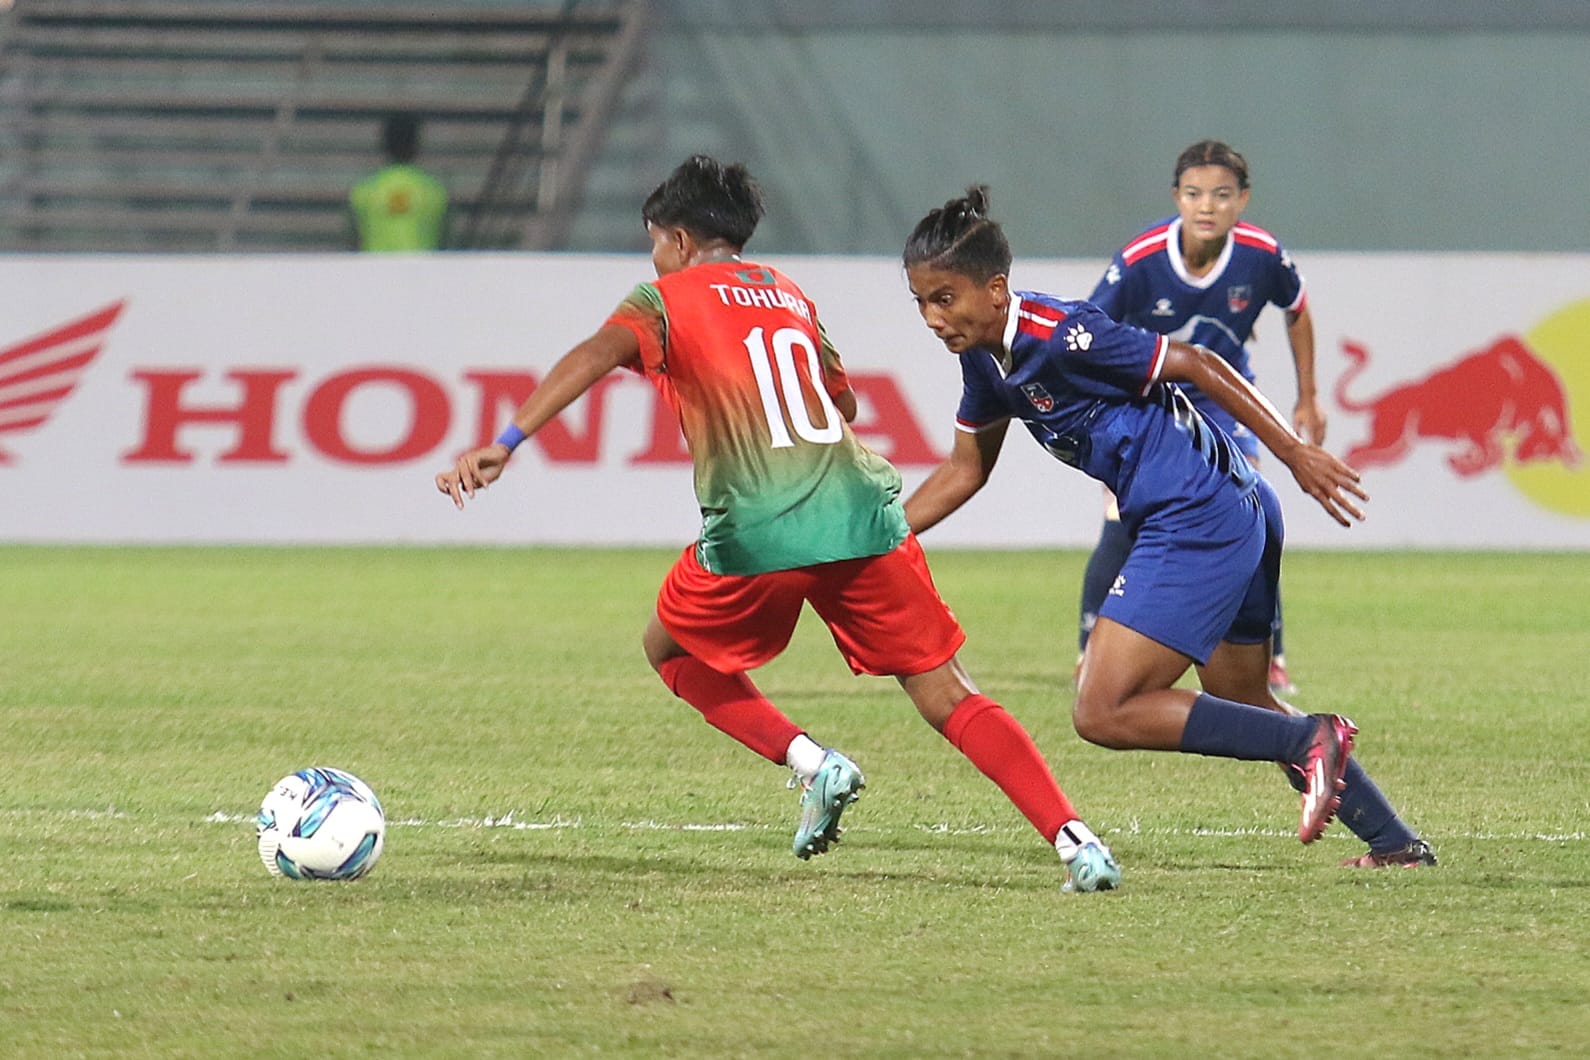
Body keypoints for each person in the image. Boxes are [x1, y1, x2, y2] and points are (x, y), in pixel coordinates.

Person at [435, 156, 1121, 892]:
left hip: (760, 526)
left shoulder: (662, 298)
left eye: (656, 245)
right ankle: (1076, 841)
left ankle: (811, 762)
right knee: (949, 694)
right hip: (862, 513)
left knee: (669, 649)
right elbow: (845, 404)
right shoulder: (786, 293)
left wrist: (505, 443)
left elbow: (598, 354)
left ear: (676, 240)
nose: (656, 259)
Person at [901, 185, 1436, 869]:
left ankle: (1309, 739)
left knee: (1102, 710)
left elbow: (1196, 363)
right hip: (1234, 506)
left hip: (1197, 514)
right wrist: (881, 533)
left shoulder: (1062, 334)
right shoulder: (984, 362)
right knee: (1239, 694)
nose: (930, 317)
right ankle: (1394, 843)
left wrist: (1295, 451)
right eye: (920, 301)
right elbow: (964, 470)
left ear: (996, 289)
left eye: (944, 298)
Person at [1080, 141, 1319, 696]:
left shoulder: (1261, 254)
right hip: (1151, 401)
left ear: (1243, 201)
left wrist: (1308, 396)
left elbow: (1298, 308)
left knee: (1249, 506)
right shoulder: (1140, 259)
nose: (1206, 206)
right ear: (1176, 198)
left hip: (1224, 398)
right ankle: (1089, 644)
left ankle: (1270, 654)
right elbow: (1089, 330)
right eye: (1193, 194)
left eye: (1220, 195)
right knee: (1123, 521)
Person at [350, 112, 449, 252]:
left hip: (376, 272)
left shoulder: (364, 191)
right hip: (423, 272)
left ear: (384, 143)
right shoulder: (434, 192)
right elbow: (446, 242)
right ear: (416, 144)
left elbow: (353, 242)